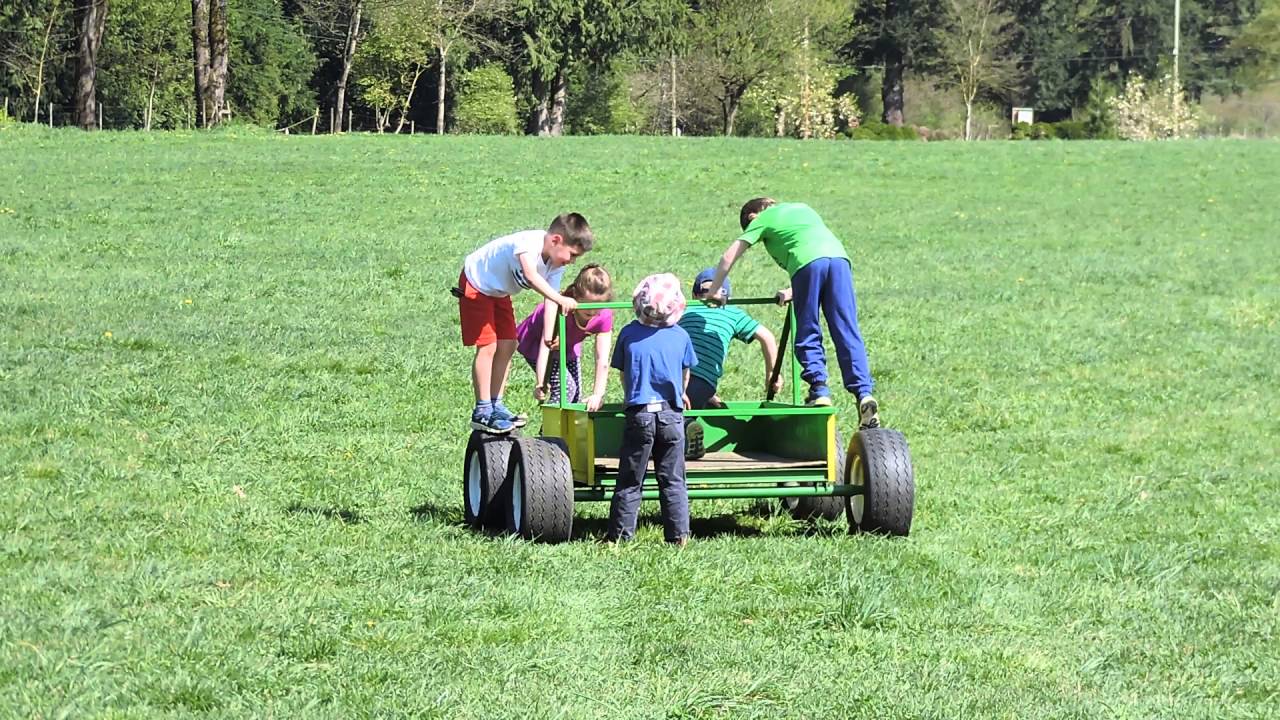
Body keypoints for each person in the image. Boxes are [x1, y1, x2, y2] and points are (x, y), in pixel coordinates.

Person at [701, 198, 880, 428]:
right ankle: (864, 394)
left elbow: (729, 256)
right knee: (847, 329)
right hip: (839, 260)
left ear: (752, 217)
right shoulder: (802, 208)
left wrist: (714, 291)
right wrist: (794, 290)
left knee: (807, 328)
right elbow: (819, 255)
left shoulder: (761, 219)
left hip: (806, 264)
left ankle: (819, 390)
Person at [456, 213, 592, 434]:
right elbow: (530, 276)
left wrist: (549, 336)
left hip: (499, 292)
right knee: (488, 346)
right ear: (556, 240)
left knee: (508, 344)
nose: (572, 261)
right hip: (477, 284)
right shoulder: (529, 244)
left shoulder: (556, 265)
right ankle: (482, 410)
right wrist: (560, 299)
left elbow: (550, 298)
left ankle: (496, 403)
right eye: (572, 254)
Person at [605, 273, 696, 545]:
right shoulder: (681, 336)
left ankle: (620, 537)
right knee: (673, 479)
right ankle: (679, 536)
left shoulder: (629, 333)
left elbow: (623, 374)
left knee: (631, 479)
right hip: (671, 413)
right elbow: (685, 372)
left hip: (640, 412)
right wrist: (680, 392)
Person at [515, 263, 614, 412]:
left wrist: (598, 395)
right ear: (575, 297)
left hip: (568, 344)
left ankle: (568, 434)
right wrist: (541, 382)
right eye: (587, 307)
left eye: (598, 307)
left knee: (576, 396)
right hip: (537, 343)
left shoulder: (604, 316)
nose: (593, 312)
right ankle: (548, 433)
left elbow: (602, 360)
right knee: (566, 389)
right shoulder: (558, 311)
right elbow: (545, 345)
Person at [678, 268, 781, 409]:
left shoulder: (683, 309)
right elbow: (767, 337)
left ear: (695, 295)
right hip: (703, 382)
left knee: (669, 416)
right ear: (728, 297)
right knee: (682, 417)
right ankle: (689, 426)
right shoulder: (731, 313)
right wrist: (772, 374)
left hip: (673, 373)